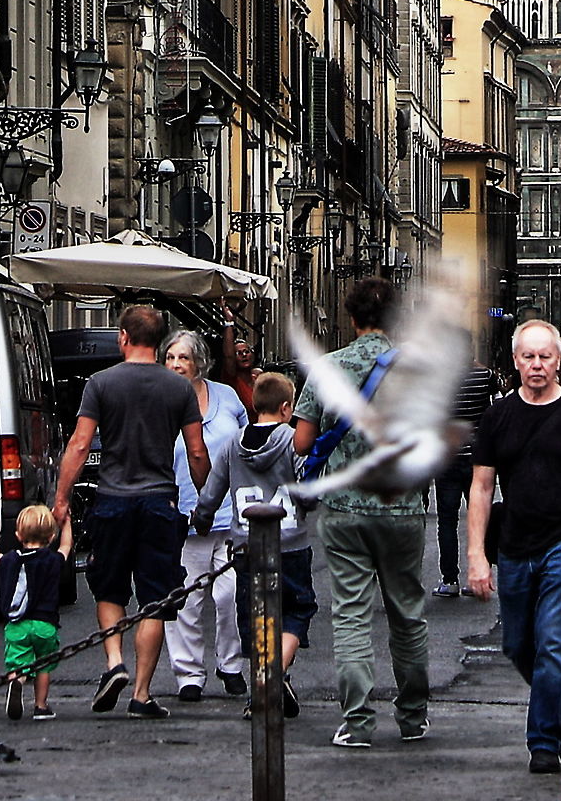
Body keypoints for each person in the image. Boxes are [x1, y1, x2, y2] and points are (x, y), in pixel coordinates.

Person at [52, 301, 209, 719]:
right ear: (159, 345)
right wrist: (206, 498)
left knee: (109, 588)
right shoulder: (179, 389)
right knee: (156, 599)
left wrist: (62, 499)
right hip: (159, 501)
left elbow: (81, 445)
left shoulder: (100, 384)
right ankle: (141, 693)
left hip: (112, 500)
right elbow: (196, 452)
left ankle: (113, 661)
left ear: (123, 337)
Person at [293, 275, 431, 750]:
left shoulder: (328, 368)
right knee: (407, 614)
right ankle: (413, 717)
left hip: (345, 509)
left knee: (350, 614)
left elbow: (303, 442)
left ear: (351, 318)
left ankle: (357, 722)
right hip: (404, 506)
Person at [465, 321, 561, 775]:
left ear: (559, 361)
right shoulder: (498, 416)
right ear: (515, 360)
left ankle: (542, 742)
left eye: (546, 357)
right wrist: (476, 555)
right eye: (529, 357)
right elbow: (481, 488)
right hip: (516, 546)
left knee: (556, 644)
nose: (537, 366)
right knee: (519, 646)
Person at [192, 369, 317, 719]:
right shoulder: (293, 442)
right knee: (296, 611)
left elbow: (213, 490)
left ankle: (263, 686)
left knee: (258, 618)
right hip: (290, 543)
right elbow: (308, 492)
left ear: (253, 404)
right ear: (286, 408)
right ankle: (274, 678)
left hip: (246, 545)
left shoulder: (233, 444)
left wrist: (202, 519)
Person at [163, 327, 249, 700]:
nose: (176, 364)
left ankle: (230, 665)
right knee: (186, 601)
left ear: (199, 361)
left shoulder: (226, 396)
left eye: (183, 357)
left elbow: (248, 444)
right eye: (170, 357)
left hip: (230, 515)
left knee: (230, 596)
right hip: (182, 513)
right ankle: (189, 676)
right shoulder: (160, 401)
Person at [0, 501, 74, 723]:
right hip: (45, 625)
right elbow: (66, 547)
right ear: (51, 537)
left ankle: (17, 680)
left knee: (18, 661)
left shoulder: (11, 560)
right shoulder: (52, 560)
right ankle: (41, 706)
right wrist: (67, 523)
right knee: (44, 665)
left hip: (17, 624)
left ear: (19, 535)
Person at [434, 351, 498, 595]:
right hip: (477, 458)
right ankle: (479, 574)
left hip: (448, 458)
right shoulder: (484, 376)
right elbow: (495, 406)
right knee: (480, 519)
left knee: (447, 521)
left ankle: (449, 580)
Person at [215, 313, 259, 413]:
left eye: (246, 351)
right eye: (238, 353)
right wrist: (229, 322)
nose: (244, 355)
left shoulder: (259, 379)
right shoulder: (233, 380)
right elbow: (229, 357)